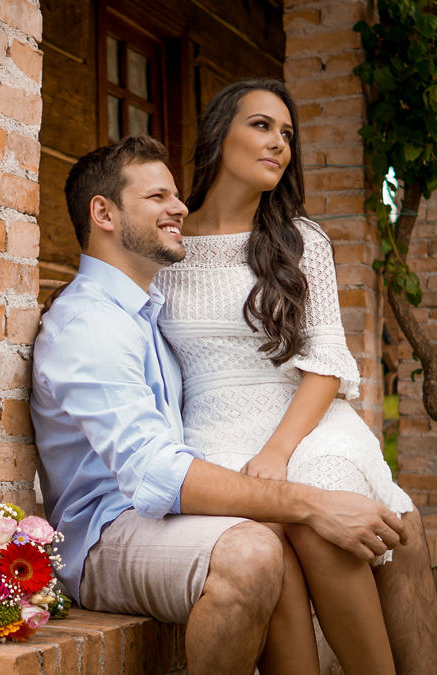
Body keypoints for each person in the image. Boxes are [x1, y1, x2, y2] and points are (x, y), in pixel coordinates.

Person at [31, 133, 408, 674]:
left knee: (270, 535)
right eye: (158, 197)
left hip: (154, 518)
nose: (179, 207)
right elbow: (154, 472)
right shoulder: (88, 323)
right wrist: (315, 503)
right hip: (102, 537)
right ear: (104, 214)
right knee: (252, 551)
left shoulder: (147, 311)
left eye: (176, 195)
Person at [154, 79, 437, 673]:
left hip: (306, 423)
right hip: (212, 434)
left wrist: (280, 452)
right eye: (261, 126)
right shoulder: (168, 249)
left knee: (321, 513)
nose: (279, 143)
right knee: (277, 532)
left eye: (287, 134)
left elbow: (327, 362)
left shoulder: (301, 241)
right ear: (219, 136)